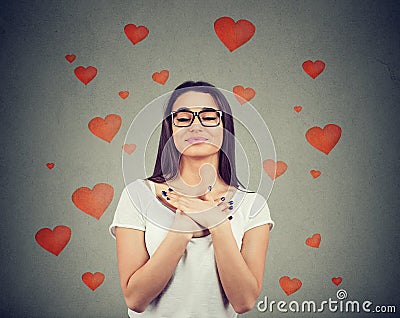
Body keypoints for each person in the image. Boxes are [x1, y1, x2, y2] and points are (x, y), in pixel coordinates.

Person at [109, 81, 275, 317]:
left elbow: (244, 301)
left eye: (209, 117)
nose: (195, 126)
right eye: (183, 118)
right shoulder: (138, 195)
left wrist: (217, 223)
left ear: (225, 127)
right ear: (170, 129)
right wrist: (183, 228)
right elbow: (135, 298)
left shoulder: (253, 206)